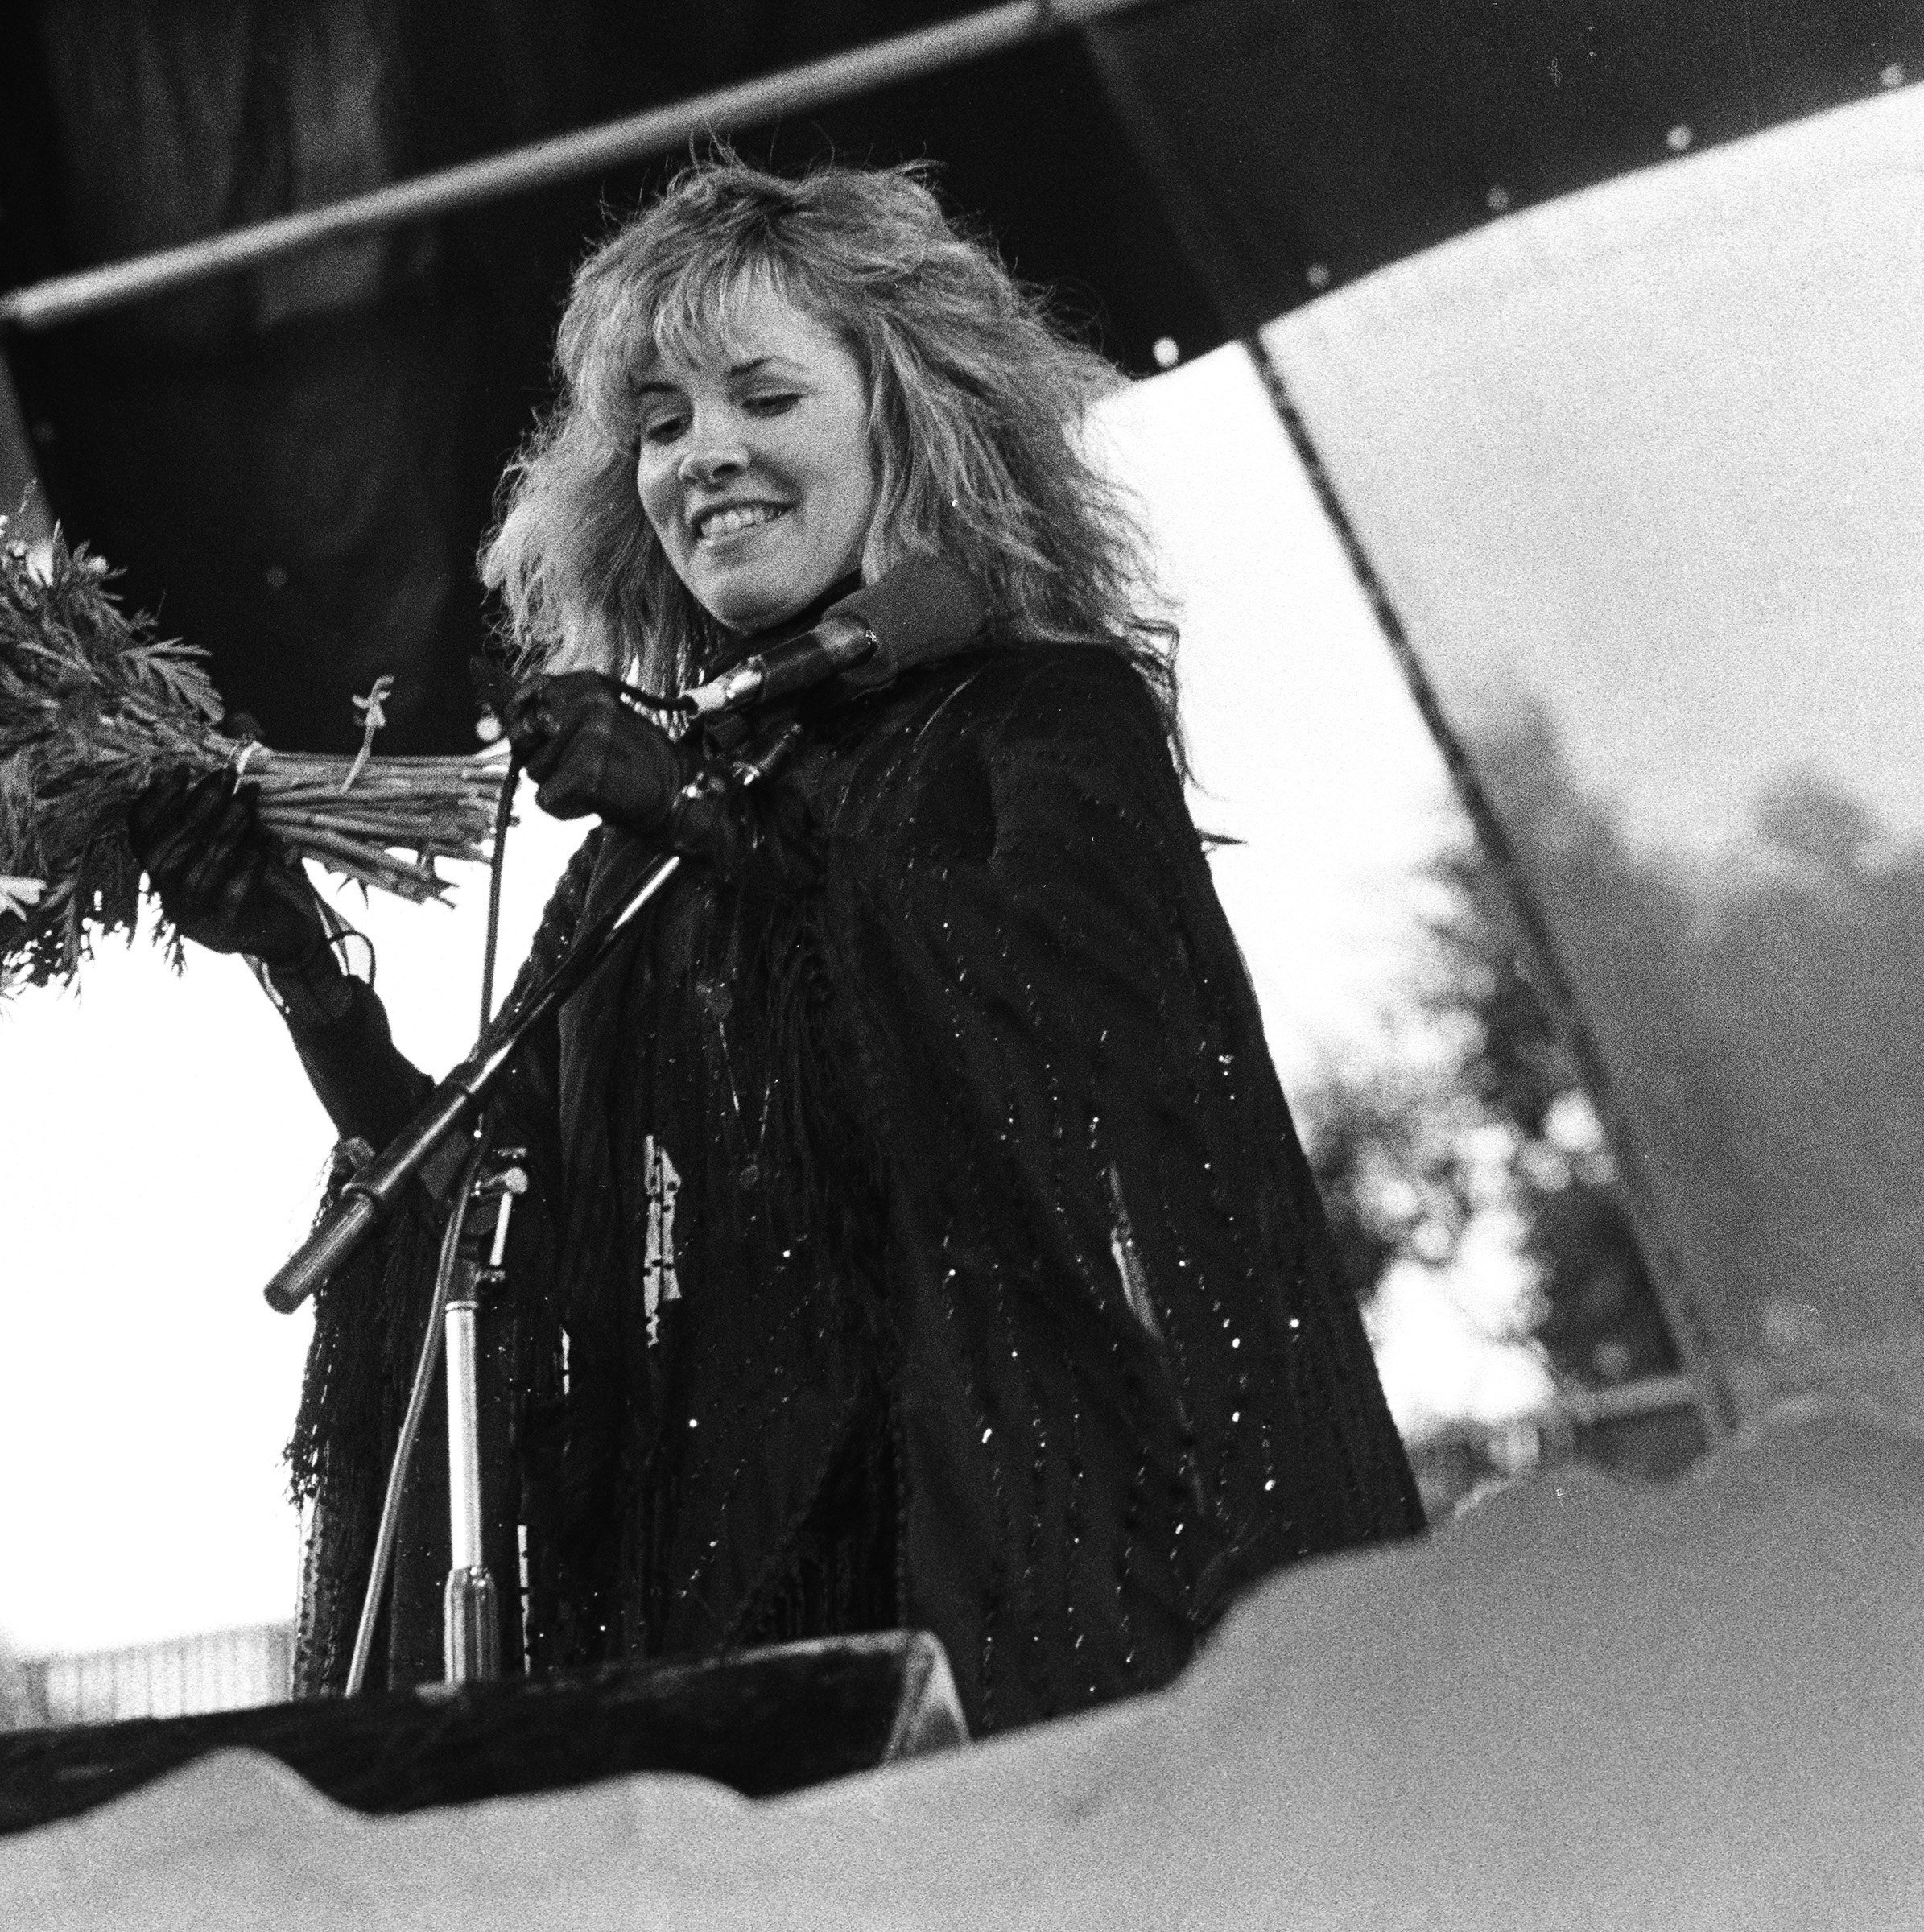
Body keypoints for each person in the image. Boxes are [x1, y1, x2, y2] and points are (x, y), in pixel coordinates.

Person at [134, 159, 1423, 1735]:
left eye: (762, 396)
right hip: (721, 1650)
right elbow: (495, 1206)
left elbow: (1071, 1103)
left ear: (908, 421)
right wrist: (303, 971)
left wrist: (721, 831)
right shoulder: (631, 858)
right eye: (661, 421)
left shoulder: (1040, 721)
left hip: (1009, 1626)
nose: (705, 456)